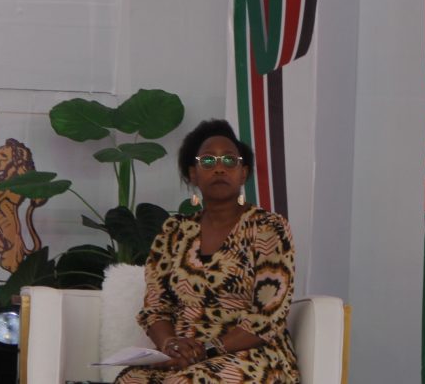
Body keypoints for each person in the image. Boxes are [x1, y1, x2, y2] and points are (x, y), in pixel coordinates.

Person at [115, 119, 298, 384]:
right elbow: (156, 308)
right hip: (185, 356)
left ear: (243, 173)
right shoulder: (174, 231)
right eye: (208, 161)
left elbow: (267, 318)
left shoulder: (268, 228)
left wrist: (207, 350)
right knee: (130, 380)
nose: (219, 168)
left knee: (186, 382)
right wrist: (170, 345)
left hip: (254, 355)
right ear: (193, 173)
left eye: (229, 160)